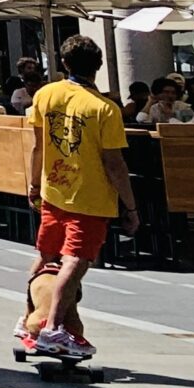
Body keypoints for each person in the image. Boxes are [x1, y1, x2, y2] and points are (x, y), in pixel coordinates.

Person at [22, 38, 139, 360]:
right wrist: (130, 206)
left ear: (64, 63)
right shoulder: (104, 108)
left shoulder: (45, 94)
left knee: (46, 255)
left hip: (53, 189)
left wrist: (34, 184)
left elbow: (38, 146)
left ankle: (27, 317)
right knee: (75, 261)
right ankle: (53, 329)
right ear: (98, 66)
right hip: (89, 198)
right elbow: (113, 163)